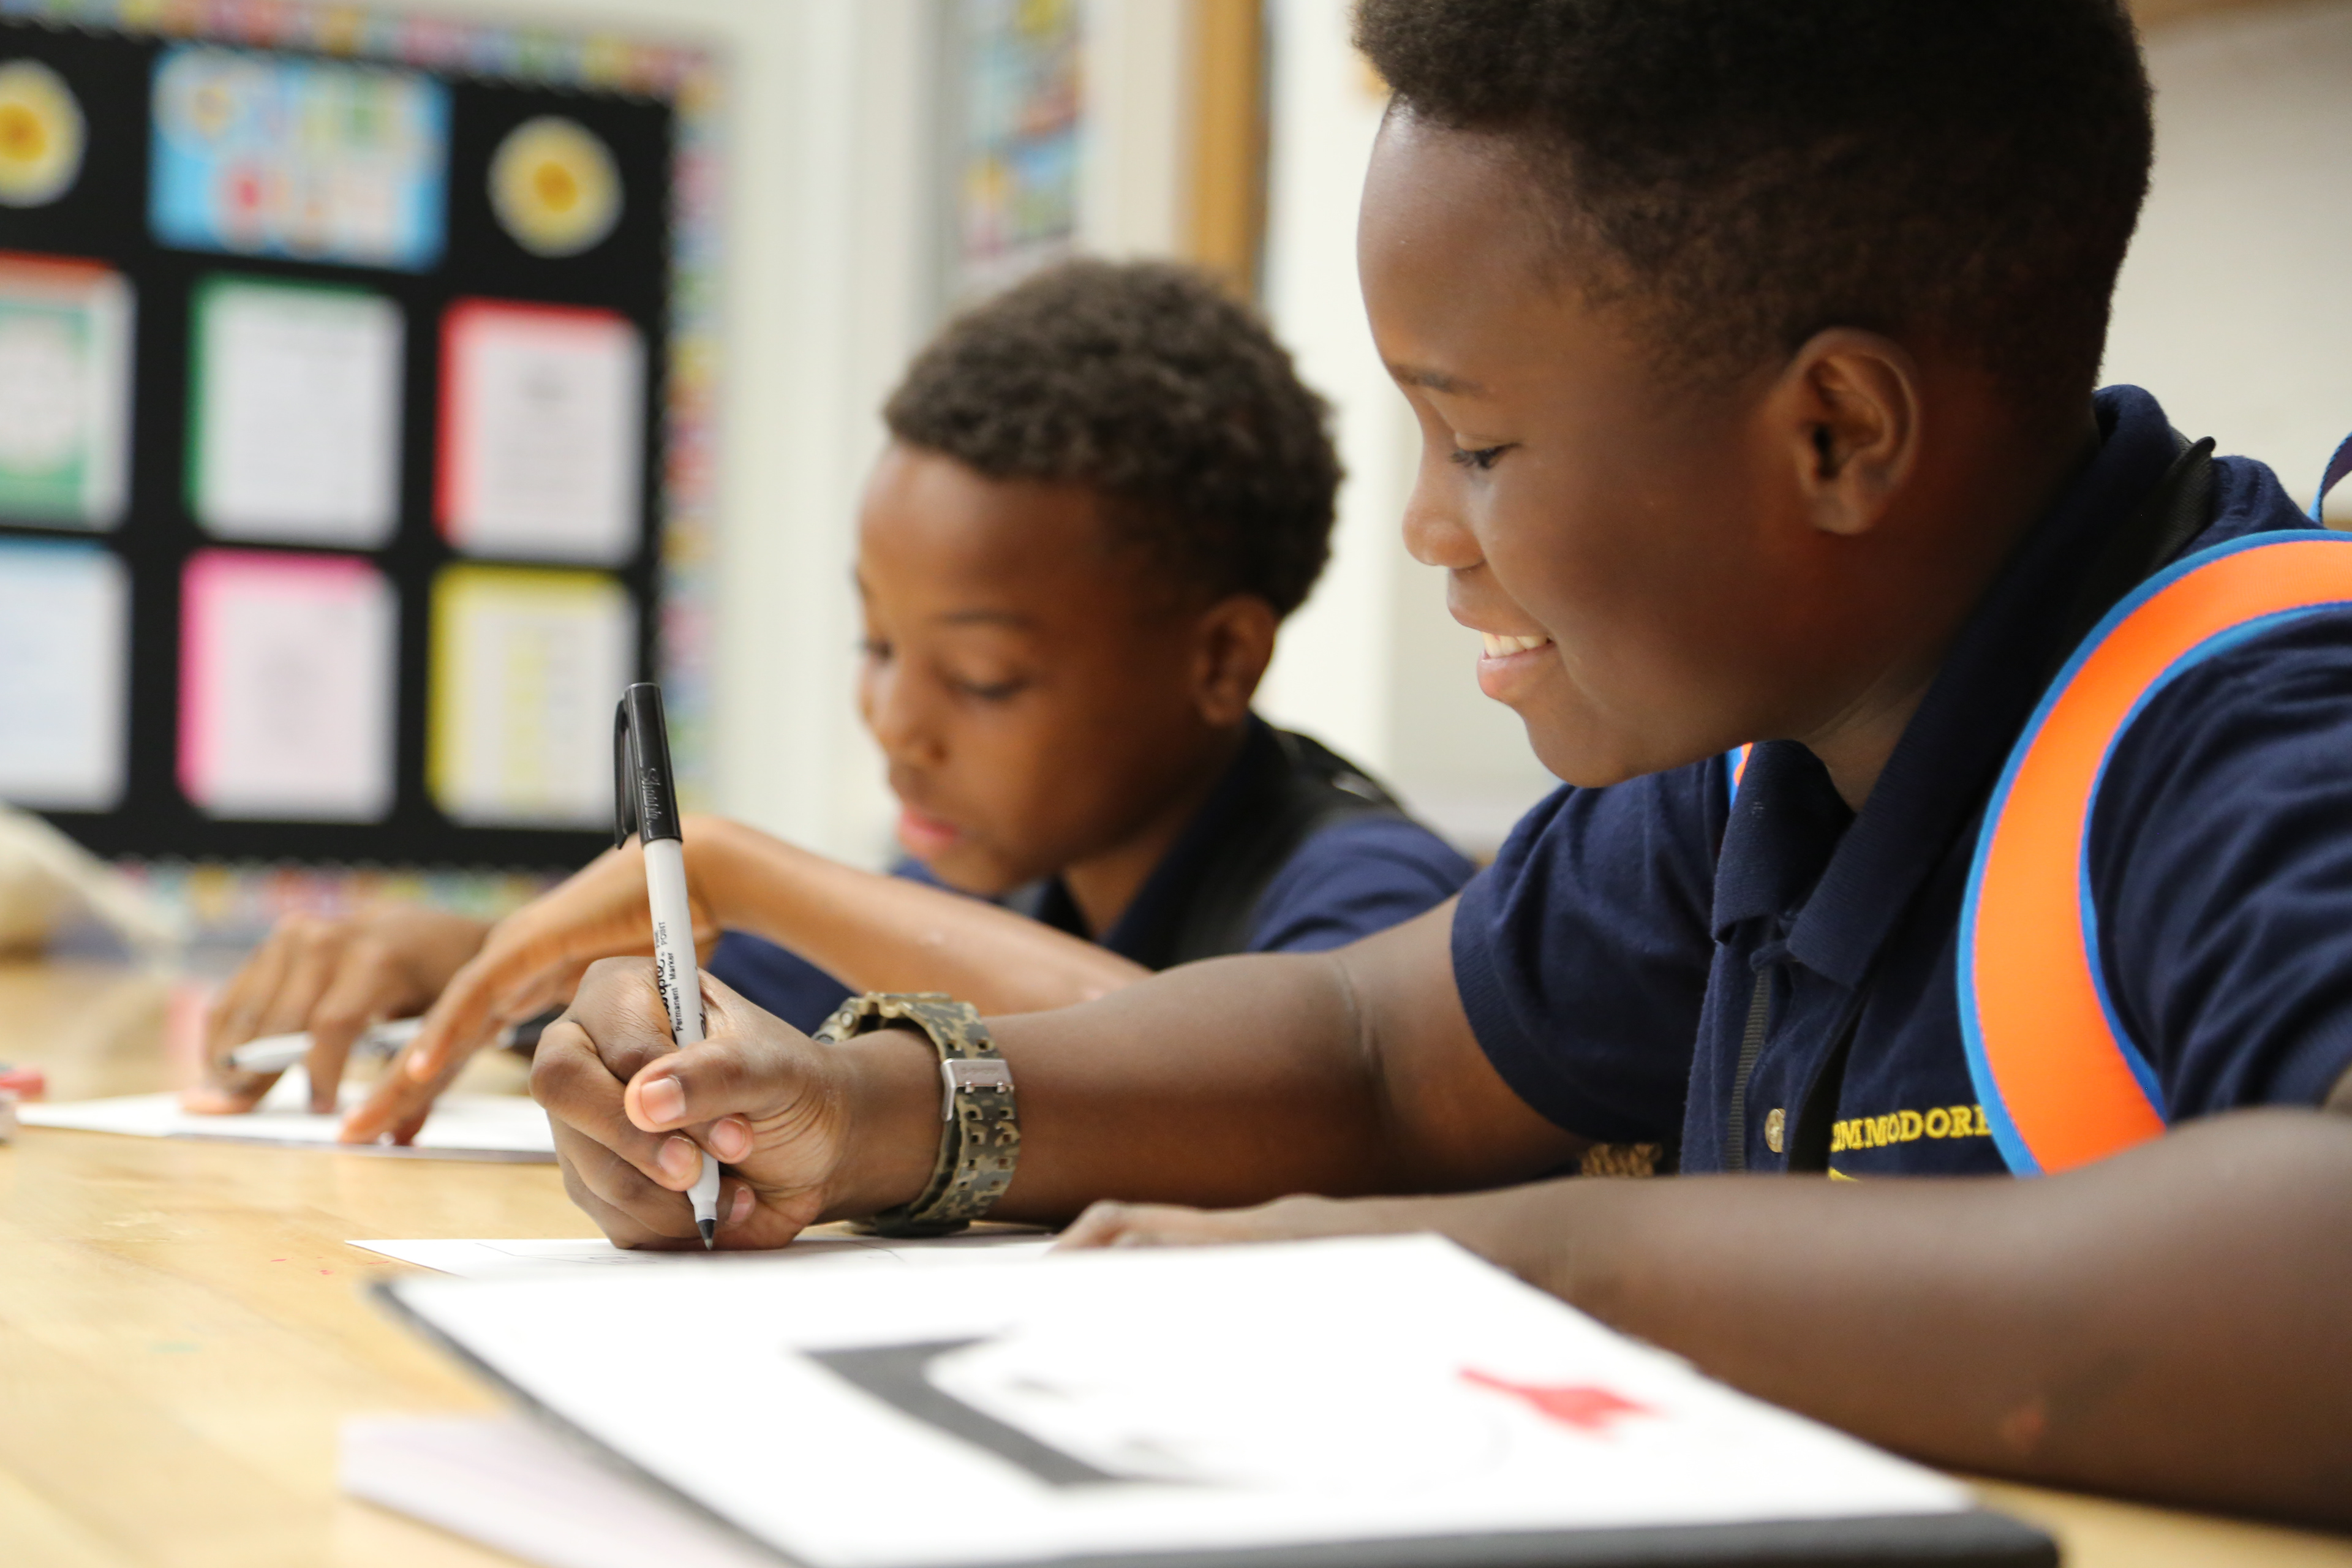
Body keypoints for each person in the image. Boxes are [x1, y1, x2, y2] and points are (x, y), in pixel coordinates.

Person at [530, 0, 2352, 1529]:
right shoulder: (1755, 765)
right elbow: (1375, 1048)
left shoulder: (2256, 729)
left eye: (1476, 444)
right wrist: (859, 1112)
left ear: (1835, 433)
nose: (1424, 527)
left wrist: (1496, 1278)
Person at [191, 260, 1473, 1139]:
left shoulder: (1375, 898)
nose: (895, 721)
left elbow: (1270, 1087)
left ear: (1220, 660)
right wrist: (471, 961)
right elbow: (725, 981)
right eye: (876, 643)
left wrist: (741, 870)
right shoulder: (996, 877)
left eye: (982, 678)